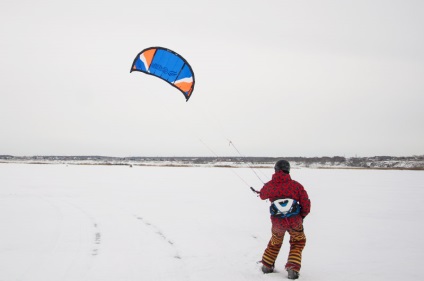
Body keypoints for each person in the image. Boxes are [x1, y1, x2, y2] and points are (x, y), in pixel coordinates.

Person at [259, 159, 311, 279]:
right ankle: (292, 268)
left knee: (275, 241)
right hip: (295, 220)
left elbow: (262, 196)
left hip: (277, 222)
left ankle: (267, 265)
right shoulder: (296, 185)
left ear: (276, 170)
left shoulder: (269, 185)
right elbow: (306, 203)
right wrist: (301, 216)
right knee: (298, 242)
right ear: (288, 170)